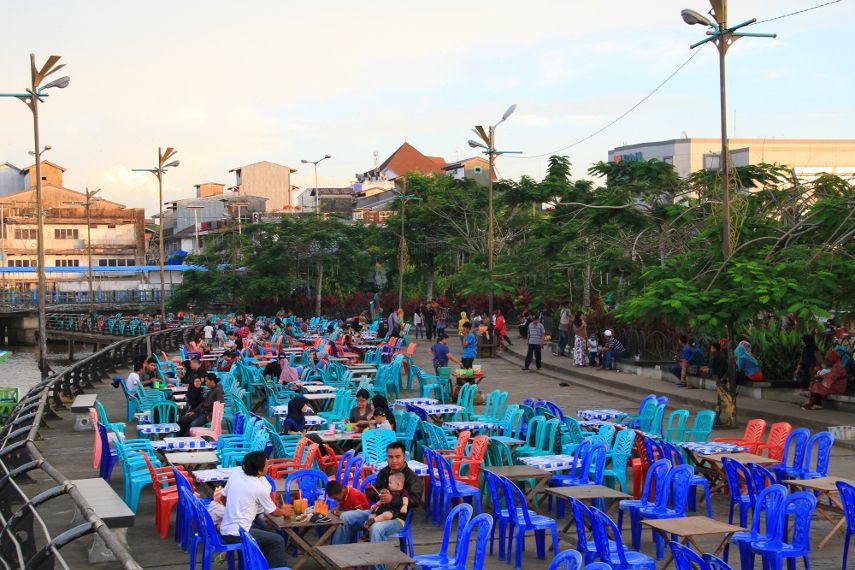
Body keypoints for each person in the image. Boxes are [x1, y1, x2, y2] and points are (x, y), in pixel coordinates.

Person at [332, 442, 423, 560]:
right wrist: (379, 495)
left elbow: (416, 501)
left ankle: (378, 567)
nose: (394, 460)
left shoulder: (412, 478)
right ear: (387, 457)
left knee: (376, 528)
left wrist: (392, 499)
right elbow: (372, 492)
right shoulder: (384, 472)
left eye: (397, 456)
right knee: (345, 516)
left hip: (399, 518)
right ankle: (337, 558)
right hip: (378, 512)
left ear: (404, 457)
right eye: (390, 457)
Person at [219, 451, 292, 568]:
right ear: (259, 471)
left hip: (226, 528)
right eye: (266, 465)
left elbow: (223, 498)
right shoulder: (259, 488)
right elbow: (273, 512)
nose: (268, 466)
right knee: (277, 541)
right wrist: (284, 511)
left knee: (267, 532)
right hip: (238, 535)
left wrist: (235, 509)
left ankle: (260, 565)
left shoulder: (236, 474)